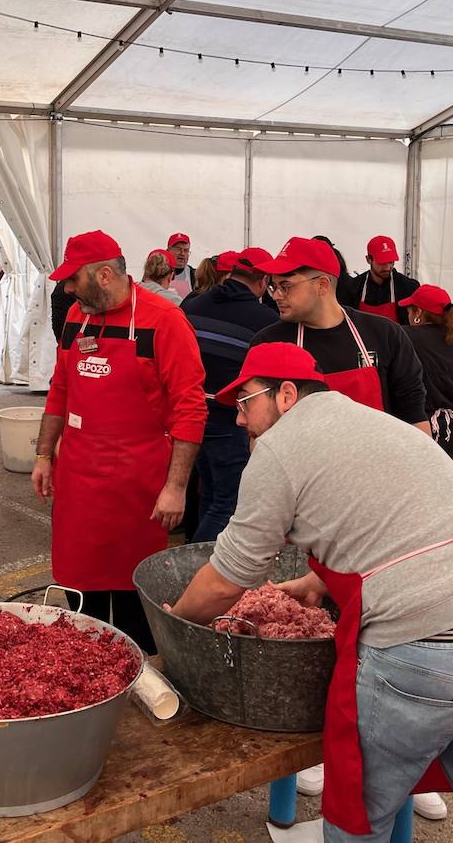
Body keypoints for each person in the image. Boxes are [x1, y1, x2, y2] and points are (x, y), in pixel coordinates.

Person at [170, 342, 453, 843]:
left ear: (284, 395)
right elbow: (397, 521)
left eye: (244, 404)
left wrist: (177, 622)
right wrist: (315, 580)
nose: (238, 421)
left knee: (361, 821)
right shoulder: (378, 424)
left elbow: (225, 579)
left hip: (425, 653)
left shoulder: (279, 450)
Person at [31, 231, 206, 652]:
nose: (68, 289)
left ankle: (141, 678)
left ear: (105, 274)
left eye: (74, 280)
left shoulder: (164, 320)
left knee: (135, 597)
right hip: (78, 478)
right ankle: (83, 672)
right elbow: (60, 388)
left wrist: (176, 486)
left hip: (138, 483)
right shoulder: (77, 316)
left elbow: (191, 407)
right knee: (79, 595)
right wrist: (42, 453)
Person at [251, 237, 428, 430]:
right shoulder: (267, 344)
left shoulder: (385, 335)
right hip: (301, 459)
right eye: (273, 287)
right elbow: (258, 430)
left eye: (285, 286)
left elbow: (414, 414)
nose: (276, 295)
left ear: (322, 285)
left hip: (374, 457)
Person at [180, 248, 277, 542]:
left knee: (207, 493)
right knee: (227, 503)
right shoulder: (265, 320)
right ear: (262, 281)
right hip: (227, 419)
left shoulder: (192, 305)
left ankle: (195, 553)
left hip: (189, 415)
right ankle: (193, 568)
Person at [399, 284, 453, 456]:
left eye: (409, 311)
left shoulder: (407, 335)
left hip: (425, 428)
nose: (407, 316)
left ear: (418, 313)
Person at [340, 235, 419, 325]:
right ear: (368, 259)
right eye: (382, 263)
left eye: (391, 262)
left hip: (396, 339)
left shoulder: (408, 287)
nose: (387, 267)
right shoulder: (354, 287)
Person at [167, 232, 193, 297]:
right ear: (168, 251)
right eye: (178, 249)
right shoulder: (157, 272)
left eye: (186, 250)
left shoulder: (194, 275)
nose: (182, 253)